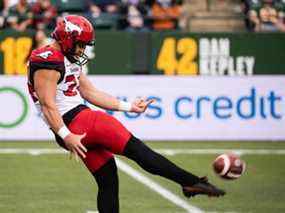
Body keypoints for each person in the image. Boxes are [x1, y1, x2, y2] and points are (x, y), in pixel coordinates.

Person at [27, 15, 225, 213]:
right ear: (67, 38)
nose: (82, 50)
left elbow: (90, 92)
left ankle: (189, 183)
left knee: (108, 180)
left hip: (75, 126)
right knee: (138, 150)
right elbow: (47, 105)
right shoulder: (48, 61)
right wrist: (66, 135)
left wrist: (129, 107)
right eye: (80, 44)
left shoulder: (66, 58)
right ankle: (190, 182)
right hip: (78, 123)